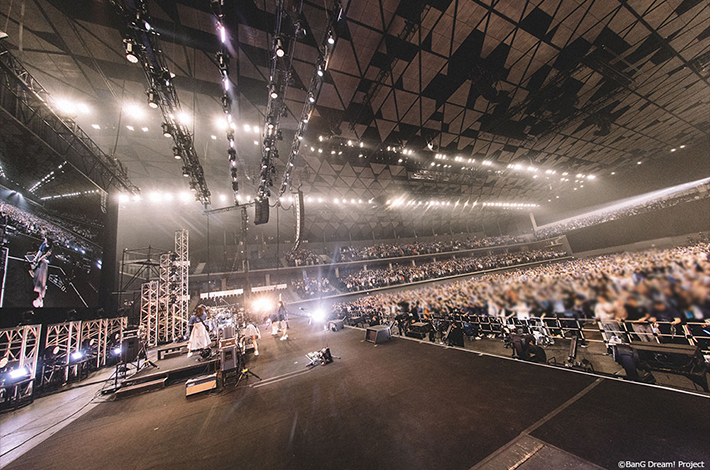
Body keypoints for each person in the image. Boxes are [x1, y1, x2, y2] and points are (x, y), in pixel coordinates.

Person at [32, 237, 53, 308]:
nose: (44, 240)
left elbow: (47, 259)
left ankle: (40, 299)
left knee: (41, 282)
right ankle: (39, 296)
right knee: (36, 277)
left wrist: (42, 260)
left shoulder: (50, 249)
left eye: (46, 239)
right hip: (41, 263)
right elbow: (40, 252)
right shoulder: (43, 244)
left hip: (44, 265)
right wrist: (36, 258)